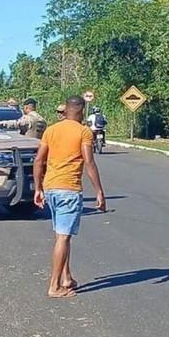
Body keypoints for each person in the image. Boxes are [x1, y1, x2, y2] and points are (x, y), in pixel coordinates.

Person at [33, 96, 107, 298]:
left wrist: (38, 188)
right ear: (82, 112)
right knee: (64, 237)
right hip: (69, 189)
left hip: (51, 187)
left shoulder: (51, 130)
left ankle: (67, 277)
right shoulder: (83, 132)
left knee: (61, 236)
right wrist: (99, 191)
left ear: (65, 110)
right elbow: (89, 162)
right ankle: (54, 286)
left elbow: (39, 160)